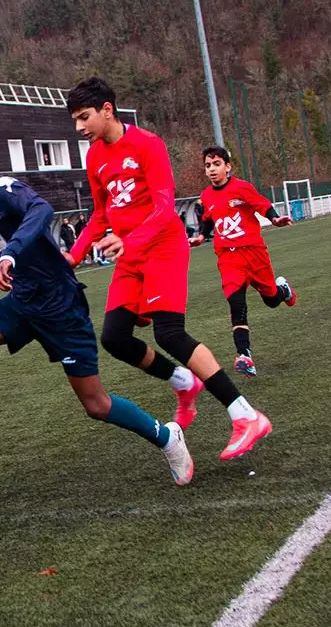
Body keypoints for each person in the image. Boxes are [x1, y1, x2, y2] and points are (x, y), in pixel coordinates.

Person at [0, 135, 193, 483]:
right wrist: (0, 261)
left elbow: (41, 210)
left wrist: (11, 254)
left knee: (97, 405)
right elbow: (7, 242)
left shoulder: (3, 188)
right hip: (23, 303)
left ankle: (167, 437)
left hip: (60, 307)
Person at [65, 77, 272, 462]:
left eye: (84, 117)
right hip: (130, 256)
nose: (79, 126)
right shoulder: (94, 157)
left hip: (162, 247)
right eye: (75, 119)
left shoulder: (148, 144)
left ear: (107, 110)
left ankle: (245, 415)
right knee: (114, 338)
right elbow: (100, 215)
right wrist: (72, 258)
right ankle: (183, 382)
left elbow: (164, 207)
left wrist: (130, 240)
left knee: (170, 333)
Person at [191, 145, 298, 377]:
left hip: (254, 254)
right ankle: (244, 355)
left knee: (271, 300)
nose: (212, 169)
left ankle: (283, 290)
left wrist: (275, 218)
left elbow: (262, 204)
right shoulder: (206, 195)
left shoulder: (242, 187)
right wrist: (201, 236)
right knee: (236, 304)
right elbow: (208, 219)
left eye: (216, 164)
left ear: (228, 167)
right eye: (208, 165)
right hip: (228, 258)